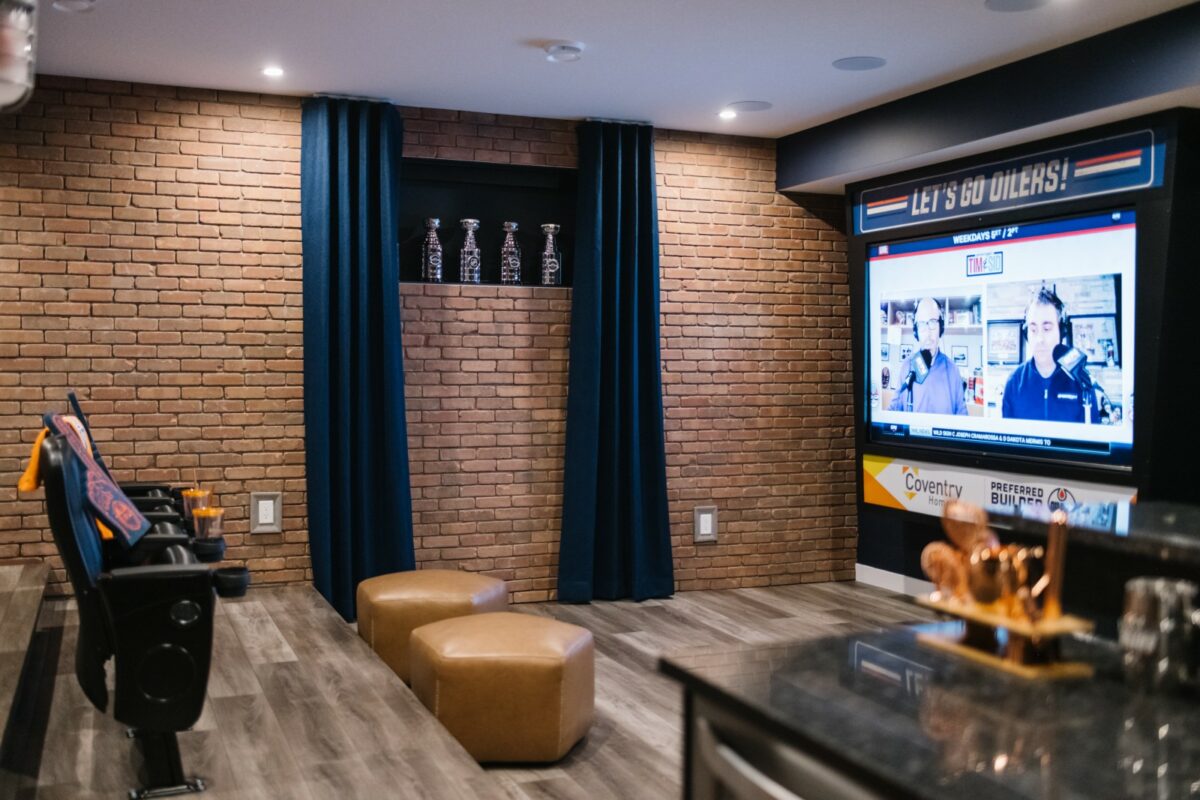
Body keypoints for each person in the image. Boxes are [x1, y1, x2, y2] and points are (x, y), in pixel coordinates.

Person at [1001, 287, 1099, 422]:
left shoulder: (1081, 382)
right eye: (1033, 329)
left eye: (1047, 329)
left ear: (1062, 332)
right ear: (1026, 334)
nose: (1039, 339)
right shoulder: (1014, 382)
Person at [888, 297, 967, 415]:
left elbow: (962, 416)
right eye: (921, 324)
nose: (928, 333)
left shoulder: (952, 370)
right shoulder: (907, 366)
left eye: (933, 322)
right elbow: (893, 410)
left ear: (940, 327)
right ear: (916, 331)